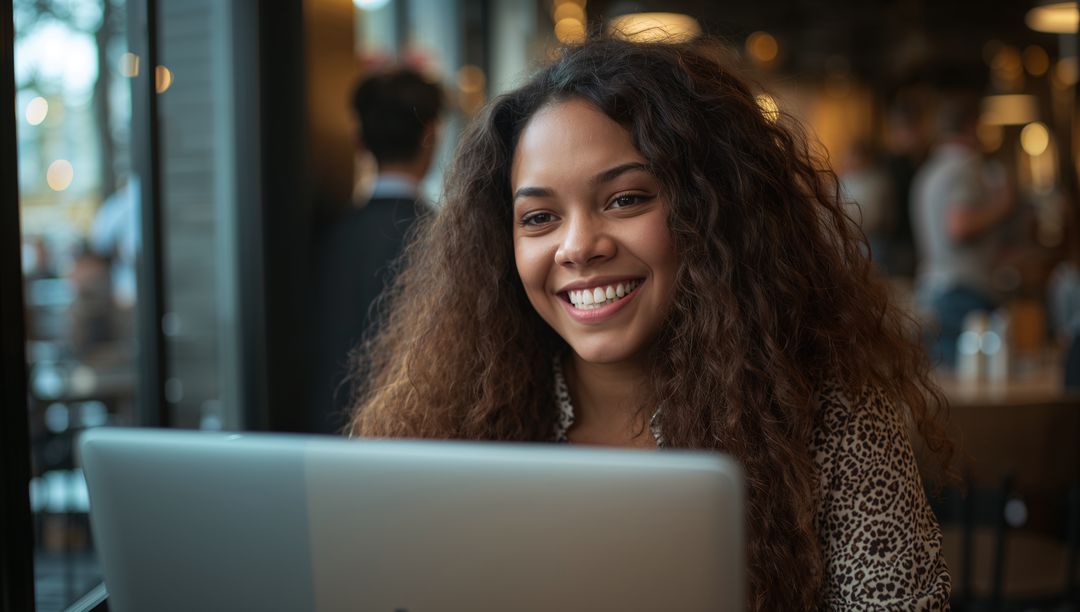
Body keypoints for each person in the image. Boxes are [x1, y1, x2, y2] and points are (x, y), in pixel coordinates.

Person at [347, 38, 952, 609]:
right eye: (538, 217)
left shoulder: (831, 422)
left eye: (626, 199)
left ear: (717, 213)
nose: (577, 247)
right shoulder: (449, 427)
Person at [308, 67, 445, 433]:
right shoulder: (447, 240)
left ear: (359, 140)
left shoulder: (323, 237)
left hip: (321, 444)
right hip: (415, 442)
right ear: (432, 135)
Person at [912, 94, 1014, 368]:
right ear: (972, 125)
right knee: (977, 387)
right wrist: (1001, 206)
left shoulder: (931, 170)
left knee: (949, 391)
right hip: (963, 291)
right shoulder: (965, 166)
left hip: (934, 287)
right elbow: (958, 225)